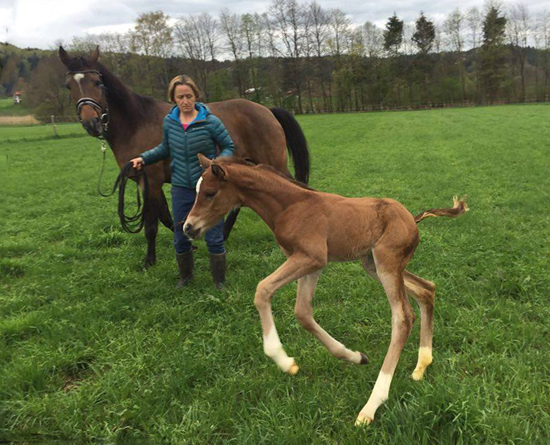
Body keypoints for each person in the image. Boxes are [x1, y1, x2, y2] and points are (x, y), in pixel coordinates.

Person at [130, 75, 234, 289]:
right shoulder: (170, 122)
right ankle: (185, 278)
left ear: (196, 96)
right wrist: (144, 158)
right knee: (181, 235)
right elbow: (165, 149)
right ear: (173, 99)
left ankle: (219, 282)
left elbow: (228, 146)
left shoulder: (210, 122)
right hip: (180, 187)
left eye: (189, 96)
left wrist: (217, 164)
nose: (185, 101)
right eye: (180, 97)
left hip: (207, 188)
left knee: (213, 235)